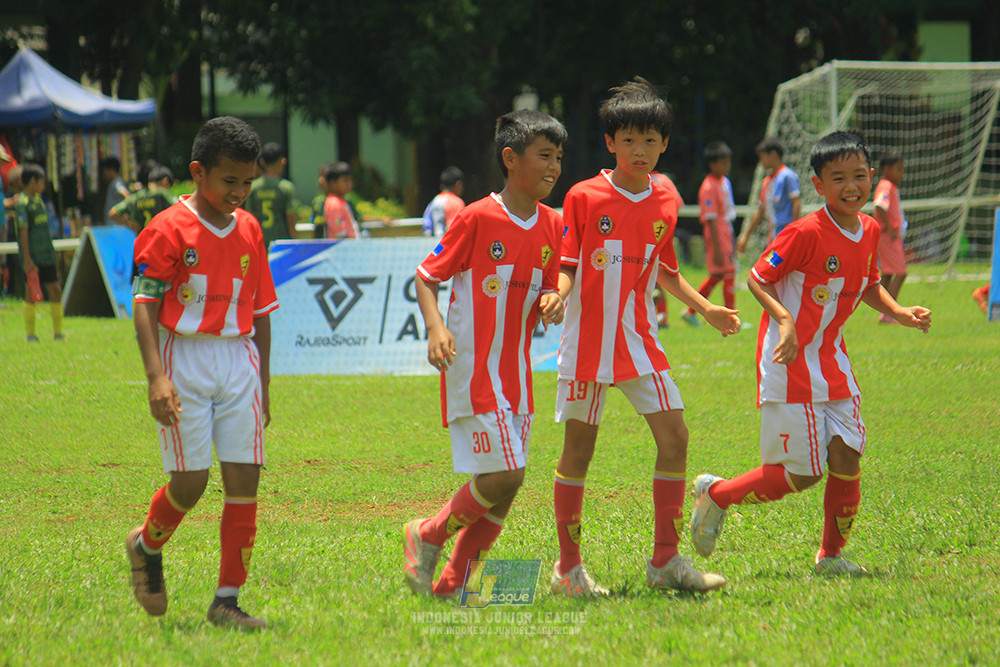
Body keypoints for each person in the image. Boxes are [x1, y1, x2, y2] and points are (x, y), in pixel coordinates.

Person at [689, 132, 932, 577]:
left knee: (847, 458)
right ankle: (717, 495)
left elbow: (868, 283)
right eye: (837, 178)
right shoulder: (802, 232)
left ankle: (831, 556)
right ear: (819, 185)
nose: (851, 186)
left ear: (871, 178)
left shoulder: (870, 229)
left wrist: (899, 311)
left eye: (859, 176)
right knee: (800, 475)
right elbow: (757, 279)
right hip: (788, 361)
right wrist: (785, 321)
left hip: (832, 361)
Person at [551, 77, 740, 597]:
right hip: (586, 344)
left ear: (665, 144)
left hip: (638, 340)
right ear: (610, 143)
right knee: (578, 454)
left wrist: (706, 309)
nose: (640, 150)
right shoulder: (583, 196)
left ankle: (666, 561)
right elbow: (567, 261)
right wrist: (559, 293)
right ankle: (568, 570)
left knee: (675, 438)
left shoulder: (666, 198)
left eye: (650, 140)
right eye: (629, 140)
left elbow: (666, 269)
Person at [403, 109, 567, 600]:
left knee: (505, 486)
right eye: (544, 156)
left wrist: (554, 298)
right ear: (510, 159)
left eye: (559, 157)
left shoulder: (553, 225)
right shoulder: (475, 216)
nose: (554, 166)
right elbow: (426, 276)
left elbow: (555, 281)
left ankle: (453, 581)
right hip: (474, 368)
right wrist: (435, 329)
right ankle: (427, 533)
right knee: (507, 473)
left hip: (516, 376)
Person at [126, 116, 278, 630]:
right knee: (190, 484)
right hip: (183, 358)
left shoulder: (251, 230)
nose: (238, 192)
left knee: (244, 479)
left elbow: (260, 312)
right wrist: (156, 378)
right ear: (198, 172)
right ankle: (146, 546)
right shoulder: (167, 229)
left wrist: (264, 383)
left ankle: (227, 600)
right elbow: (145, 300)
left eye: (247, 182)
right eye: (228, 180)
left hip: (238, 361)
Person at [682, 141, 738, 327]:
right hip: (717, 234)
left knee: (718, 275)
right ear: (712, 164)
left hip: (725, 232)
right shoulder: (708, 186)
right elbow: (711, 219)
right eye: (723, 163)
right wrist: (716, 248)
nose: (727, 167)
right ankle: (732, 317)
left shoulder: (724, 182)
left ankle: (690, 311)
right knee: (728, 272)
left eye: (728, 162)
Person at [15, 163, 64, 342]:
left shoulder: (39, 201)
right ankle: (30, 334)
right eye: (42, 182)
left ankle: (58, 333)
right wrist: (27, 258)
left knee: (55, 290)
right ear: (33, 181)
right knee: (30, 293)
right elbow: (23, 231)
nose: (44, 186)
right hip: (33, 256)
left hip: (46, 254)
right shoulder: (23, 203)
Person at [736, 138, 802, 254]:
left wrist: (794, 231)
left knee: (779, 268)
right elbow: (761, 211)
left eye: (762, 157)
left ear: (773, 154)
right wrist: (746, 236)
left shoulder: (787, 176)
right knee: (773, 268)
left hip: (786, 234)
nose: (761, 162)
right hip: (773, 234)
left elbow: (796, 203)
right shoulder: (767, 181)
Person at [244, 142, 300, 248]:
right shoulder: (286, 187)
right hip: (281, 242)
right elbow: (290, 219)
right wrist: (295, 243)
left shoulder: (253, 187)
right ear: (283, 162)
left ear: (262, 162)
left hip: (259, 240)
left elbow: (248, 217)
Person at [873, 152, 907, 323]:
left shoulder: (890, 185)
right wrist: (891, 229)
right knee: (901, 273)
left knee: (887, 274)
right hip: (888, 236)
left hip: (890, 235)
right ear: (886, 170)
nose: (901, 173)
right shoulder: (886, 185)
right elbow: (879, 206)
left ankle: (884, 311)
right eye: (898, 169)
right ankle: (890, 312)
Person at [650, 171, 684, 328]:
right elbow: (678, 204)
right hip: (661, 232)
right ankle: (661, 316)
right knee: (658, 274)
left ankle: (661, 317)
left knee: (655, 275)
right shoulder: (664, 179)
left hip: (650, 234)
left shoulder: (639, 180)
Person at [110, 166, 177, 234]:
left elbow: (112, 213)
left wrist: (130, 225)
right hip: (160, 238)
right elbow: (179, 209)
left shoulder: (134, 198)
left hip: (142, 240)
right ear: (165, 181)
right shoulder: (161, 193)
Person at [421, 166, 466, 236]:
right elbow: (455, 228)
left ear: (442, 186)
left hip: (434, 244)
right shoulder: (457, 202)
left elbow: (427, 226)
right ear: (458, 185)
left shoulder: (433, 202)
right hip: (448, 244)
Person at [323, 161, 360, 239]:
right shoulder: (334, 203)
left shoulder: (341, 201)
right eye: (345, 180)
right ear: (333, 184)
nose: (349, 183)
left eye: (350, 180)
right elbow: (338, 230)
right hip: (341, 248)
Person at [101, 156, 130, 225]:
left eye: (106, 171)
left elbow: (125, 194)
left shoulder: (117, 183)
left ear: (111, 170)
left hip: (115, 226)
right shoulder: (115, 182)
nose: (105, 174)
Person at [310, 162, 333, 239]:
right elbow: (313, 227)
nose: (320, 180)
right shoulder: (317, 201)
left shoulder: (343, 201)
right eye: (320, 176)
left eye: (324, 176)